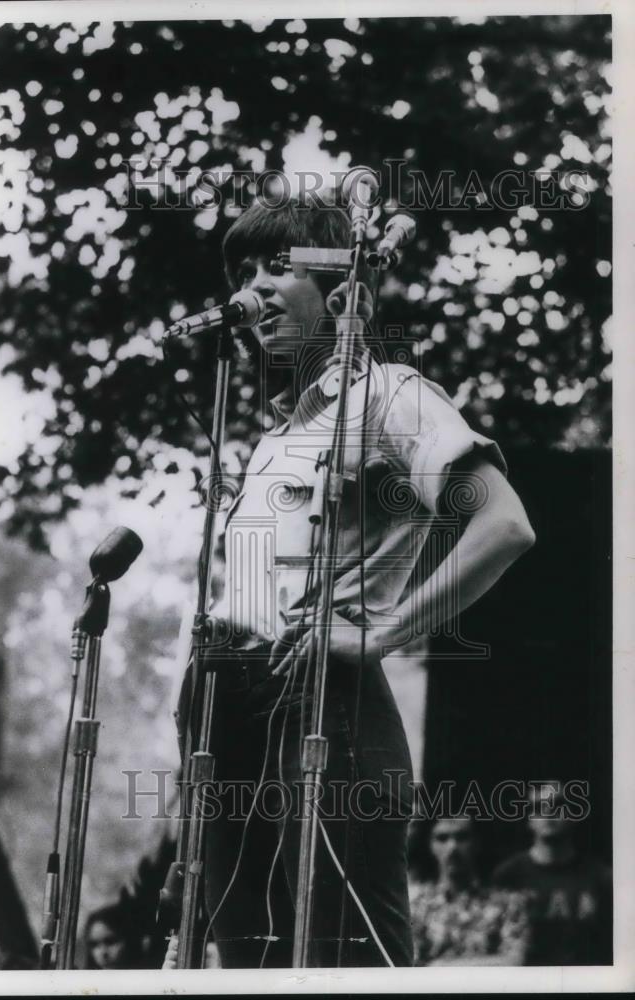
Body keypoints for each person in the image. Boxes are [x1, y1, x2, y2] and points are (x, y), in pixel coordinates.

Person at [173, 191, 536, 968]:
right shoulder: (279, 432)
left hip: (325, 712)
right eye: (242, 271)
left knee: (346, 954)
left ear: (347, 296)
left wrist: (377, 633)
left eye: (278, 268)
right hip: (226, 713)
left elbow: (505, 524)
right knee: (248, 955)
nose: (253, 290)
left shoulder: (390, 396)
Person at [492, 782, 612, 965]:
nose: (547, 812)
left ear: (575, 815)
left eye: (558, 805)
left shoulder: (602, 878)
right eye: (538, 807)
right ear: (529, 819)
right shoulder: (508, 876)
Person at [409, 817, 529, 966]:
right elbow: (411, 965)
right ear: (431, 845)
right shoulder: (416, 906)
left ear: (477, 843)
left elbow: (515, 961)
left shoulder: (508, 904)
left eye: (461, 838)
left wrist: (444, 967)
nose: (452, 847)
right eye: (442, 838)